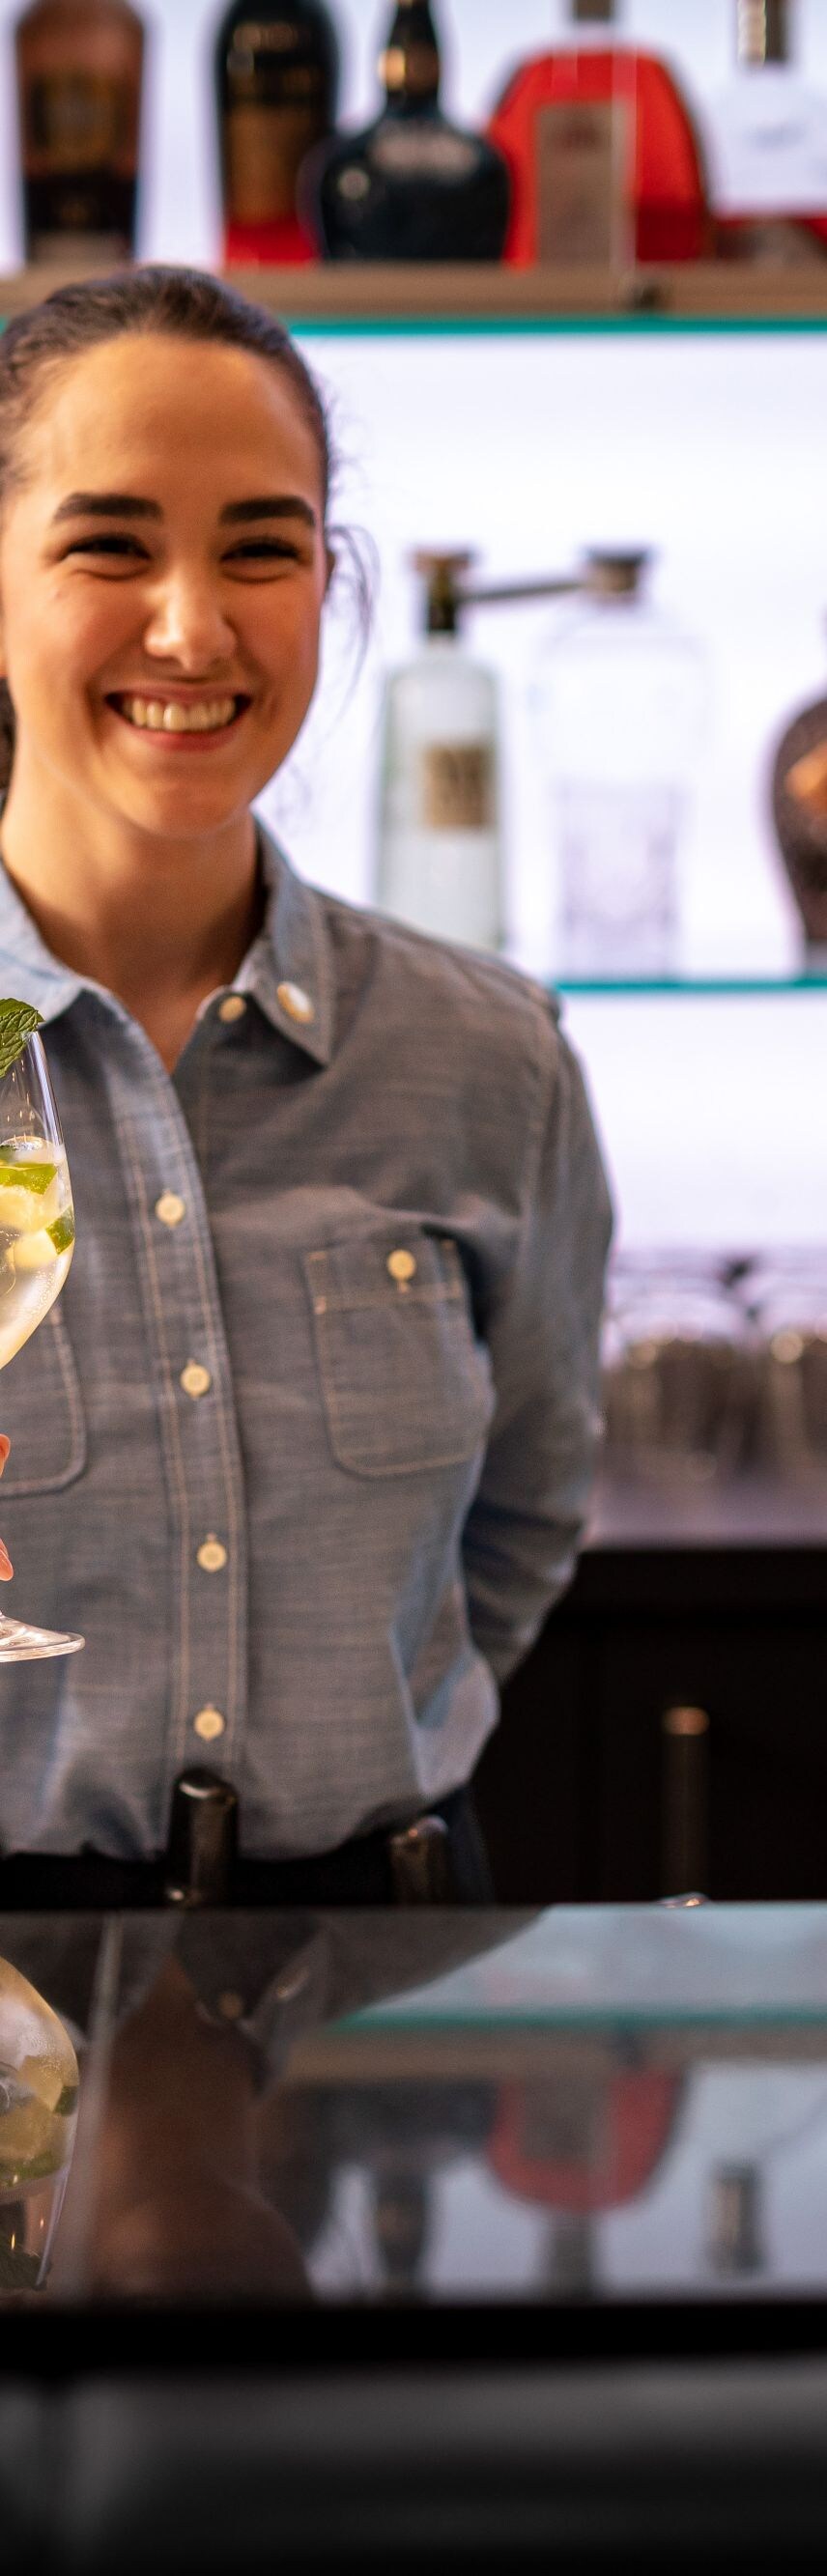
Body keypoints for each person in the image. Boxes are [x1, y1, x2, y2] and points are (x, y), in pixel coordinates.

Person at [0, 266, 612, 1906]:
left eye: (261, 548)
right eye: (109, 544)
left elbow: (526, 1519)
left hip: (383, 1985)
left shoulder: (493, 1064)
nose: (192, 627)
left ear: (327, 585)